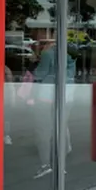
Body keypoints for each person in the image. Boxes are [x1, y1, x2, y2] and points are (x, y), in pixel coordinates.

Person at [32, 39, 76, 179]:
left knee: (43, 130)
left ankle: (45, 165)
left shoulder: (48, 54)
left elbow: (40, 74)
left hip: (47, 96)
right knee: (61, 128)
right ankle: (60, 166)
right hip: (67, 96)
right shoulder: (70, 56)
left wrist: (35, 67)